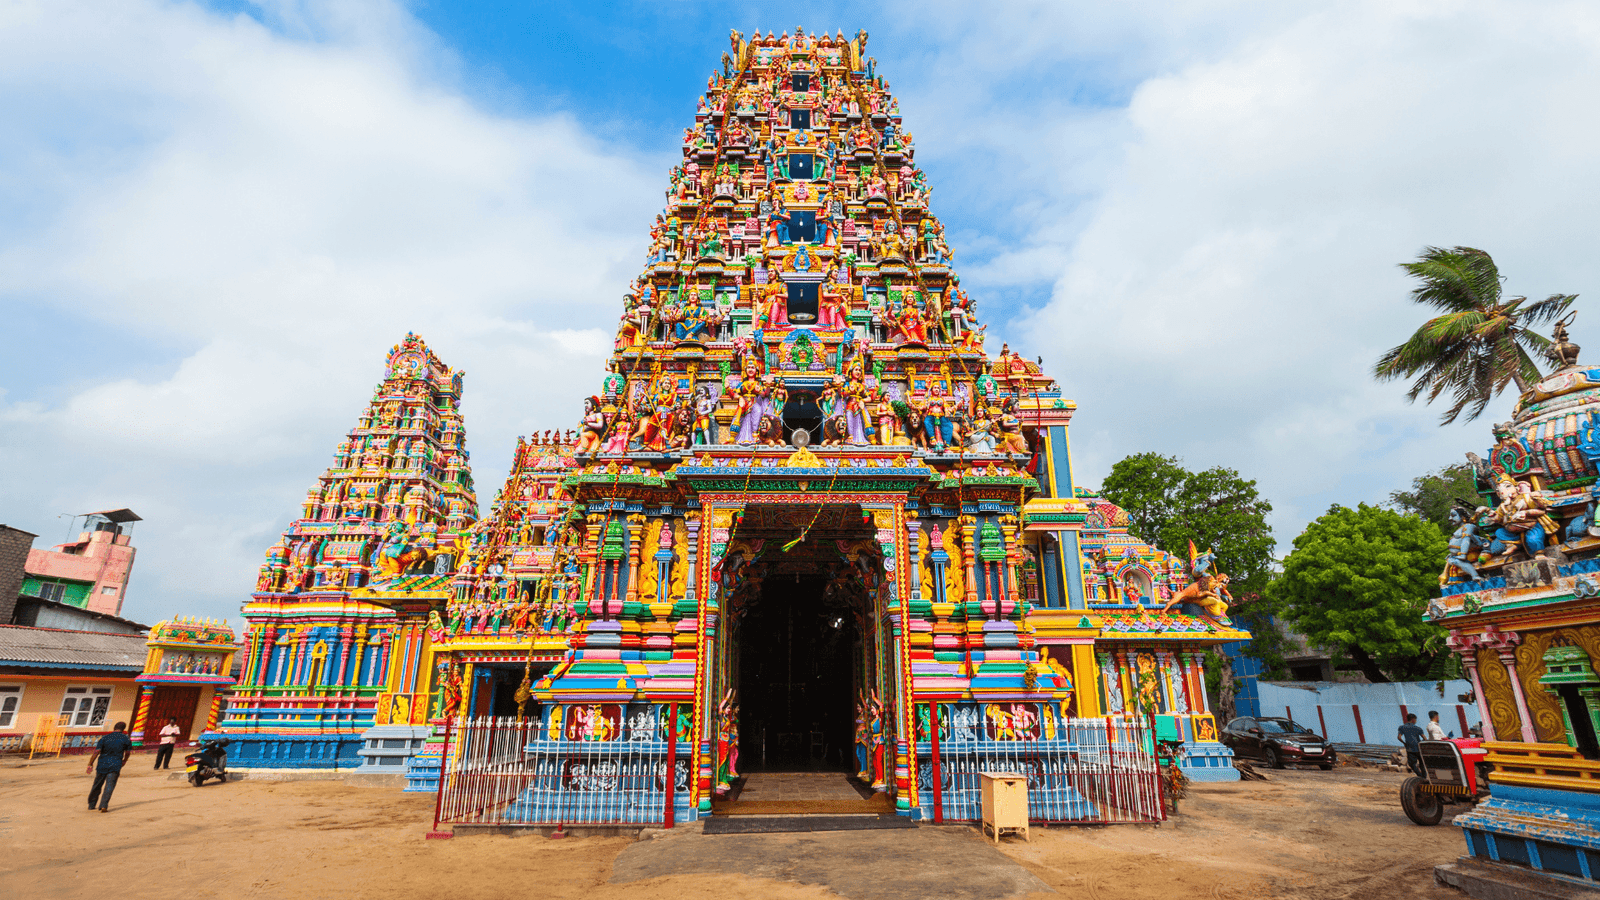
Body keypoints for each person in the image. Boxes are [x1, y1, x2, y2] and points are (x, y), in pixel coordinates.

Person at [87, 722, 133, 812]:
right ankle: (104, 805)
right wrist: (124, 761)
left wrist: (90, 763)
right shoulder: (126, 739)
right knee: (110, 785)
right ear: (123, 729)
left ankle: (91, 804)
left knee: (97, 784)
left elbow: (97, 752)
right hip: (116, 764)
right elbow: (127, 753)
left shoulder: (105, 737)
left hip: (102, 764)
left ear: (114, 728)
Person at [1398, 713, 1426, 777]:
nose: (1416, 721)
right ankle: (1424, 776)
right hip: (1418, 748)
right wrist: (1421, 744)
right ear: (1413, 720)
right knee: (1422, 763)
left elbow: (1399, 737)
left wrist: (1404, 743)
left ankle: (1420, 775)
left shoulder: (1402, 727)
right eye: (1415, 720)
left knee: (1412, 764)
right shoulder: (1418, 728)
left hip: (1410, 749)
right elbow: (1424, 738)